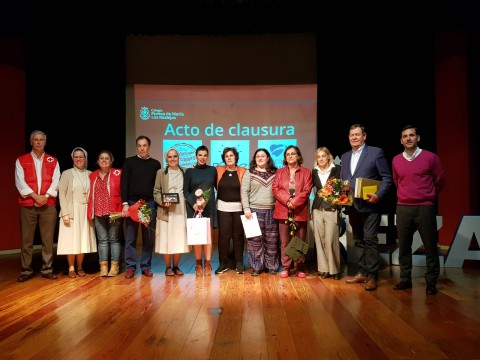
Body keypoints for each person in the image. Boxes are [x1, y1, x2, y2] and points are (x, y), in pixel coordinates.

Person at [392, 125, 446, 295]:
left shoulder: (431, 158)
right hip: (403, 208)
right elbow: (396, 181)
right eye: (405, 136)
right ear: (401, 140)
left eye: (412, 135)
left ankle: (431, 282)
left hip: (425, 208)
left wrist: (427, 195)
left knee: (430, 246)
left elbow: (440, 181)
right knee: (404, 247)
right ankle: (405, 279)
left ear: (418, 138)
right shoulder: (396, 160)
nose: (408, 138)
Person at [341, 124, 393, 291]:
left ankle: (372, 276)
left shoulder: (376, 152)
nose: (354, 137)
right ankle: (362, 272)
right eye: (351, 135)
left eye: (357, 135)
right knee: (360, 240)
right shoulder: (345, 156)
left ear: (364, 136)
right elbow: (345, 180)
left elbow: (387, 178)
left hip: (370, 205)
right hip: (352, 206)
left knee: (370, 240)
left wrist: (379, 195)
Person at [15, 130, 60, 282]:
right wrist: (35, 196)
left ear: (45, 142)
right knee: (27, 241)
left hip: (48, 206)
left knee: (48, 240)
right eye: (36, 139)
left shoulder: (53, 160)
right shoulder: (21, 160)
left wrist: (45, 197)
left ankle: (47, 269)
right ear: (31, 142)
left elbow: (56, 181)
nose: (39, 142)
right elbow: (20, 182)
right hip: (28, 206)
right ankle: (26, 271)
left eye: (41, 139)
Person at [121, 135, 161, 279]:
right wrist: (125, 204)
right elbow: (123, 183)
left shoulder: (156, 164)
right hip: (132, 204)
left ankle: (146, 266)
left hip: (149, 204)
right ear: (136, 147)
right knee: (131, 238)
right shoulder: (129, 162)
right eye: (139, 145)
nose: (142, 148)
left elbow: (157, 187)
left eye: (144, 145)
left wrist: (155, 205)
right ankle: (130, 267)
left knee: (148, 238)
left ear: (149, 147)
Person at [272, 145, 313, 278]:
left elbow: (306, 191)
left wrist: (294, 203)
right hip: (283, 210)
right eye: (287, 154)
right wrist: (288, 200)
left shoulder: (306, 172)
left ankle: (300, 267)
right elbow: (276, 189)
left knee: (299, 240)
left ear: (298, 156)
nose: (290, 156)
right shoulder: (279, 172)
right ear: (285, 158)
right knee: (285, 241)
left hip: (299, 210)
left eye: (293, 154)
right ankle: (286, 267)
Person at [57, 147, 97, 278]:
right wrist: (65, 213)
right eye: (76, 157)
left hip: (85, 210)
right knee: (71, 241)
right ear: (72, 159)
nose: (79, 159)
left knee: (82, 240)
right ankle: (71, 268)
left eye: (81, 156)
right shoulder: (67, 173)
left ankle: (80, 267)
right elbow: (62, 193)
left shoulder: (91, 174)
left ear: (85, 158)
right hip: (71, 210)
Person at [241, 148, 279, 276]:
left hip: (272, 211)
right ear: (255, 159)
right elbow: (244, 191)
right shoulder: (249, 173)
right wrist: (246, 208)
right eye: (258, 156)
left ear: (268, 158)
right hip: (253, 212)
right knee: (254, 242)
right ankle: (257, 267)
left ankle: (272, 266)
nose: (260, 158)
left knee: (272, 241)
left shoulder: (276, 173)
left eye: (263, 156)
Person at [153, 148, 189, 276]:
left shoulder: (185, 171)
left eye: (175, 156)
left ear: (178, 158)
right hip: (166, 210)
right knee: (166, 239)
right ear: (166, 159)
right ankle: (168, 267)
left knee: (179, 238)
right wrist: (162, 202)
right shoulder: (161, 173)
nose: (173, 159)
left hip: (181, 209)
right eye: (170, 157)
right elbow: (156, 192)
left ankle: (176, 266)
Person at [87, 150, 123, 277]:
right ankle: (103, 267)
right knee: (102, 240)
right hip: (98, 211)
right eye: (101, 158)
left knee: (114, 239)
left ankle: (114, 266)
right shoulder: (93, 175)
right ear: (97, 161)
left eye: (107, 158)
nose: (104, 160)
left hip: (114, 211)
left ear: (111, 161)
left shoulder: (118, 173)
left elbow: (123, 191)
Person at [184, 145, 217, 277]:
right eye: (200, 155)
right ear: (196, 156)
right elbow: (186, 191)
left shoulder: (212, 170)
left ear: (207, 156)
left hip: (208, 208)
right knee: (197, 237)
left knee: (207, 237)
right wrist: (194, 204)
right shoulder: (189, 171)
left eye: (205, 155)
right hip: (194, 209)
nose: (202, 158)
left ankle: (208, 264)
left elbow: (215, 187)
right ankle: (198, 264)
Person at [215, 147, 247, 275]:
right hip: (223, 208)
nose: (229, 157)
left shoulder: (243, 171)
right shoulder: (218, 170)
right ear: (224, 158)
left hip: (239, 208)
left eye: (231, 155)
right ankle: (223, 263)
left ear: (236, 157)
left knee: (238, 236)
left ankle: (239, 262)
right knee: (224, 236)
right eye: (226, 156)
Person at [311, 147, 342, 280]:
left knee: (331, 239)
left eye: (323, 156)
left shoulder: (337, 170)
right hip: (317, 208)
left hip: (332, 207)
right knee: (320, 239)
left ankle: (334, 269)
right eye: (318, 157)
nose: (321, 159)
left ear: (328, 157)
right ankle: (323, 269)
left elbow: (343, 188)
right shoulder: (314, 172)